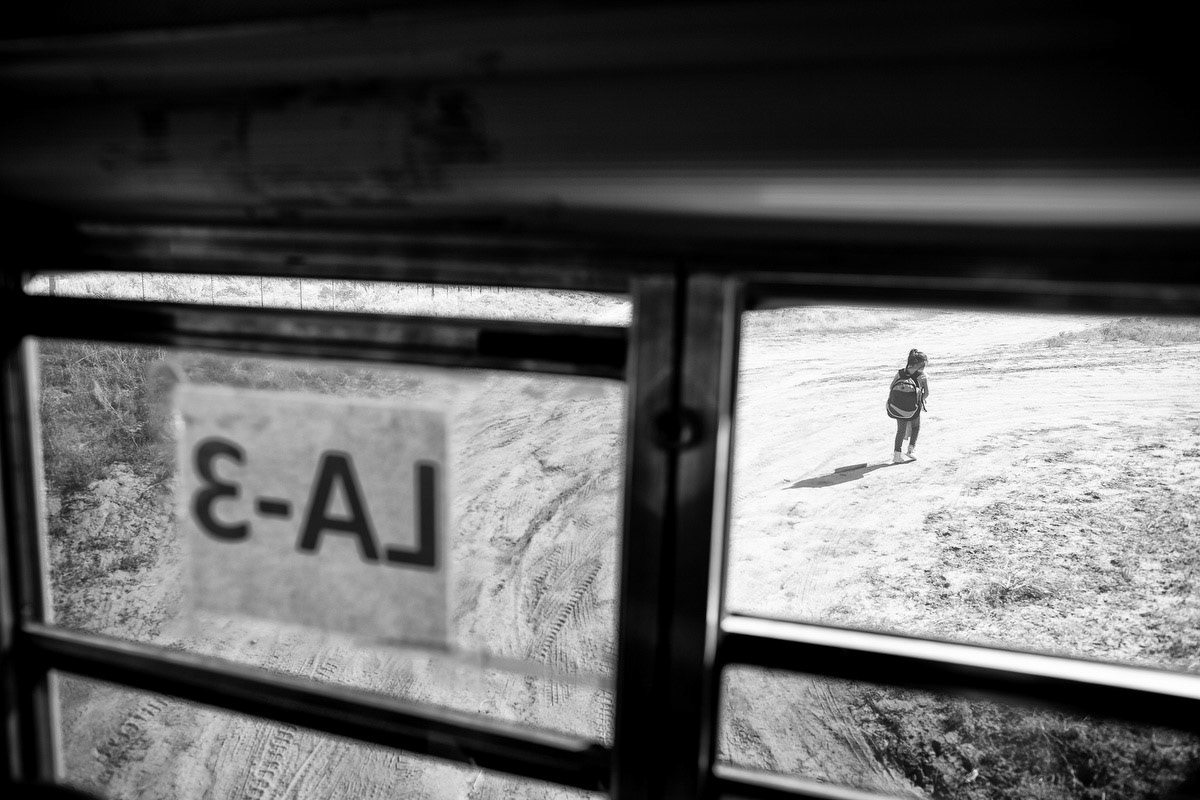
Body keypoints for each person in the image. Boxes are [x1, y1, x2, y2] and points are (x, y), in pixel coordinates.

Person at [892, 349, 929, 463]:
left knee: (900, 431)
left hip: (898, 407)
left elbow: (891, 387)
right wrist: (919, 400)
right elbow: (926, 393)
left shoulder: (900, 373)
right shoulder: (922, 375)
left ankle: (897, 455)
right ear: (921, 363)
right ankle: (911, 450)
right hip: (914, 407)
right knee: (915, 427)